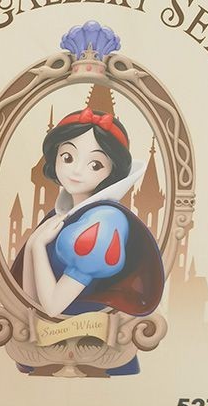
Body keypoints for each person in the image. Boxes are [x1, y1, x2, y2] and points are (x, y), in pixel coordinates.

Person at [9, 107, 164, 376]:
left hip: (96, 352)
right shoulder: (61, 215)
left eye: (95, 164)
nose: (77, 171)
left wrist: (37, 246)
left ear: (112, 171)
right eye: (68, 157)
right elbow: (32, 301)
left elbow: (52, 305)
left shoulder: (103, 222)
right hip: (48, 350)